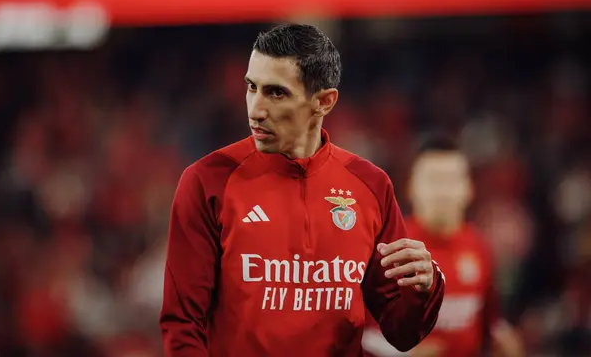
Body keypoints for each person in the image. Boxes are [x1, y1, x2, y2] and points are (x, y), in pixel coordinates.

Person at [160, 24, 445, 357]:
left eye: (276, 93)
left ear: (323, 102)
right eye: (252, 87)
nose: (255, 109)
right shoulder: (207, 182)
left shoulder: (371, 185)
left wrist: (425, 287)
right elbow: (183, 325)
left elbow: (401, 333)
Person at [361, 135, 524, 357]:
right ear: (411, 187)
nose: (443, 191)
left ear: (469, 188)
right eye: (433, 180)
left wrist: (504, 338)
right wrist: (404, 354)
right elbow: (360, 332)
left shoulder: (479, 247)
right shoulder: (387, 250)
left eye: (451, 179)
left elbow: (489, 321)